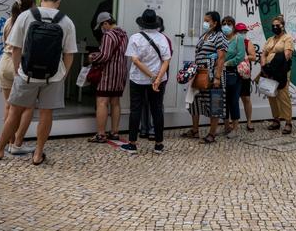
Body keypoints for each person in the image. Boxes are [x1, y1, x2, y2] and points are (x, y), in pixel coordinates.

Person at [0, 0, 77, 165]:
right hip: (53, 76)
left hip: (26, 73)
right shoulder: (67, 22)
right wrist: (63, 74)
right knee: (46, 114)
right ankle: (38, 155)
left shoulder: (25, 16)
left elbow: (15, 48)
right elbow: (69, 54)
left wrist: (17, 71)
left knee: (14, 111)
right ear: (59, 1)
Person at [121, 9, 171, 154]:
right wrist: (157, 78)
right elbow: (166, 60)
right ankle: (159, 144)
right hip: (158, 81)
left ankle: (132, 144)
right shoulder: (162, 38)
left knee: (135, 110)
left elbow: (135, 61)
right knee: (157, 110)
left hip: (138, 79)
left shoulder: (135, 38)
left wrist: (151, 76)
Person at [0, 0, 37, 155]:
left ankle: (9, 142)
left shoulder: (9, 21)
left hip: (4, 63)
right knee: (28, 107)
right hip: (17, 64)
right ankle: (18, 143)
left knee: (9, 106)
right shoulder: (27, 22)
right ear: (31, 5)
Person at [181, 11, 228, 143]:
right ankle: (195, 130)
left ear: (215, 22)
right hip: (200, 73)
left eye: (207, 20)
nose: (205, 23)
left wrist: (217, 77)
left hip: (213, 74)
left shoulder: (219, 36)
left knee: (215, 102)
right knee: (195, 101)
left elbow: (221, 57)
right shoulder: (204, 35)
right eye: (205, 20)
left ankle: (212, 134)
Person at [87, 12, 128, 143]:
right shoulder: (124, 34)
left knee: (102, 102)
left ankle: (101, 134)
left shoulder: (108, 35)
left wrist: (92, 57)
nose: (101, 29)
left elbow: (105, 56)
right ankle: (114, 132)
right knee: (115, 102)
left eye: (101, 26)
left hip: (108, 74)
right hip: (120, 72)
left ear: (106, 23)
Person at [261, 15, 294, 134]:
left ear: (283, 26)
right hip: (268, 71)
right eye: (273, 25)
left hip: (281, 71)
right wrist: (264, 66)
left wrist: (273, 66)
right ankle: (276, 119)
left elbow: (287, 55)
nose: (275, 27)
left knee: (283, 96)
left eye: (277, 25)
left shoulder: (287, 38)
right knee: (271, 95)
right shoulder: (270, 39)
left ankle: (288, 122)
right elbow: (264, 54)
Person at [221, 16, 246, 138]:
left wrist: (227, 63)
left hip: (233, 73)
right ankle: (226, 126)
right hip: (221, 73)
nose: (226, 26)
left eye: (229, 24)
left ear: (234, 26)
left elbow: (240, 56)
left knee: (233, 100)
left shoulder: (238, 38)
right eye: (224, 23)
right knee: (223, 100)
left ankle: (235, 128)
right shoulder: (221, 39)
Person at [236, 22, 256, 132]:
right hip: (233, 73)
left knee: (246, 98)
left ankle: (249, 122)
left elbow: (253, 57)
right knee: (233, 99)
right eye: (240, 32)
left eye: (244, 32)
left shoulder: (248, 42)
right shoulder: (231, 42)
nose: (242, 34)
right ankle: (233, 123)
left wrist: (244, 56)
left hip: (244, 74)